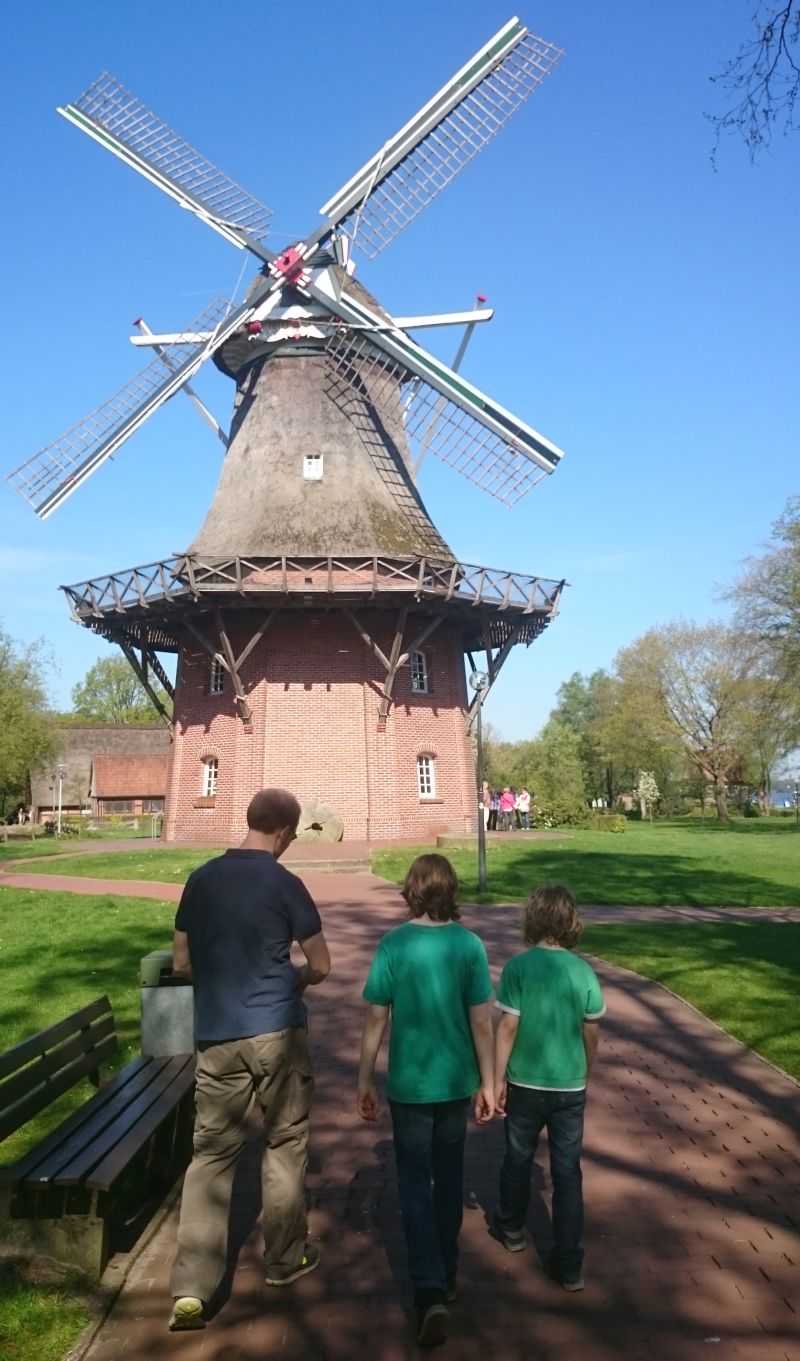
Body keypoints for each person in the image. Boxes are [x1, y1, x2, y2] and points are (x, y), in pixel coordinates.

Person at [167, 788, 331, 1332]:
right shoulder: (285, 883)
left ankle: (191, 1288)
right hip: (277, 1032)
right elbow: (322, 964)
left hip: (217, 1033)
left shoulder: (201, 879)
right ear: (284, 832)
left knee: (211, 1155)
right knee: (284, 1143)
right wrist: (295, 985)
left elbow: (183, 961)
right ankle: (284, 1261)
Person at [357, 854, 494, 1347]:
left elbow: (376, 1018)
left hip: (410, 1083)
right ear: (452, 890)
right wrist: (490, 1081)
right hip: (456, 1081)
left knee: (414, 1178)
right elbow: (482, 1021)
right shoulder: (470, 945)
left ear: (411, 890)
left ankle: (428, 1285)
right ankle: (448, 1271)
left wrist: (364, 1078)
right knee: (449, 1174)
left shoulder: (394, 945)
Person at [491, 885, 604, 1292]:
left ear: (532, 918)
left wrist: (496, 1077)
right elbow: (591, 1030)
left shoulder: (519, 969)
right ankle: (569, 1262)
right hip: (570, 1085)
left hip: (525, 1080)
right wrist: (586, 1068)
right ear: (572, 921)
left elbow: (507, 1027)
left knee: (517, 1157)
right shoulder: (583, 971)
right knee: (567, 1172)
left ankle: (511, 1227)